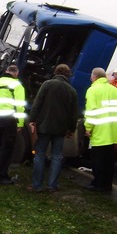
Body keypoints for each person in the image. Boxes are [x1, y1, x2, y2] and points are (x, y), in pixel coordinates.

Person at [28, 64, 78, 192]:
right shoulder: (71, 90)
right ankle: (52, 185)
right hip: (60, 129)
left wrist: (32, 120)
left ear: (56, 72)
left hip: (44, 126)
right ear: (68, 75)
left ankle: (37, 185)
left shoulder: (47, 84)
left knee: (39, 155)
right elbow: (74, 114)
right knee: (57, 156)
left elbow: (37, 104)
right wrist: (71, 129)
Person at [84, 67, 117, 192]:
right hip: (114, 133)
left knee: (98, 160)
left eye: (91, 77)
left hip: (100, 132)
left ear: (94, 77)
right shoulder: (115, 90)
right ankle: (108, 185)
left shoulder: (92, 90)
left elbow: (91, 111)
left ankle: (97, 184)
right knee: (109, 161)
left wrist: (88, 128)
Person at [0, 64, 26, 185]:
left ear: (6, 71)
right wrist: (20, 123)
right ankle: (0, 177)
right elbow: (19, 105)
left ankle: (1, 173)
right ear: (16, 73)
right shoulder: (16, 85)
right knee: (7, 148)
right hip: (10, 120)